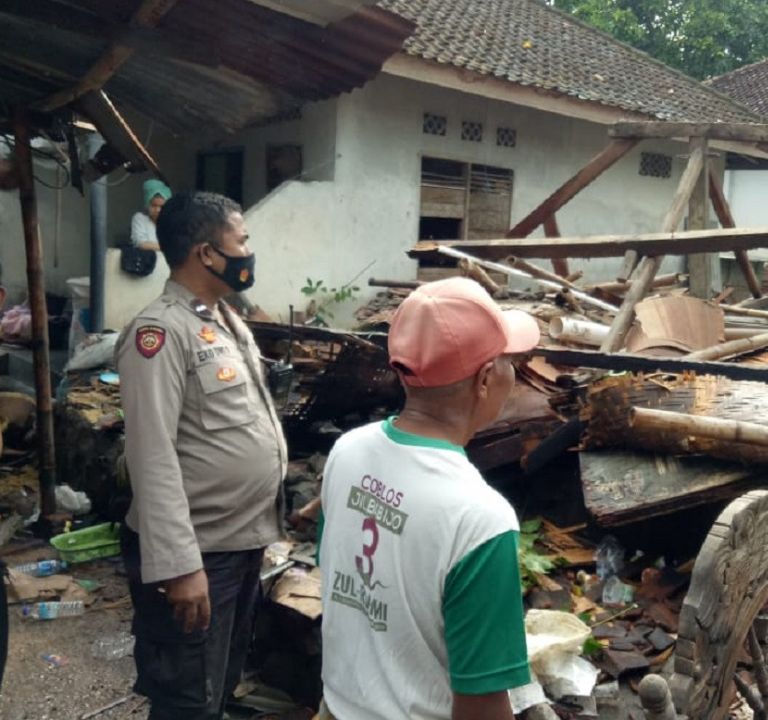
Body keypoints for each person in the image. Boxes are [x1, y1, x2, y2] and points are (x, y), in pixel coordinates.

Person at [318, 277, 538, 720]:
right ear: (484, 379)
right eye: (509, 361)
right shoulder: (479, 519)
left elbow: (338, 576)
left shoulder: (348, 450)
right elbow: (482, 703)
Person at [116, 191, 287, 720]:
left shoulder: (220, 318)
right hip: (199, 554)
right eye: (242, 241)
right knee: (186, 699)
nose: (249, 253)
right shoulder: (160, 333)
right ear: (208, 254)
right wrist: (180, 566)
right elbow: (152, 457)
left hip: (239, 541)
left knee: (217, 686)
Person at [131, 178, 172, 250]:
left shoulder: (171, 223)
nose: (158, 210)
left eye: (161, 206)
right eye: (154, 205)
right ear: (147, 204)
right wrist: (168, 248)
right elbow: (141, 244)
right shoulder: (140, 218)